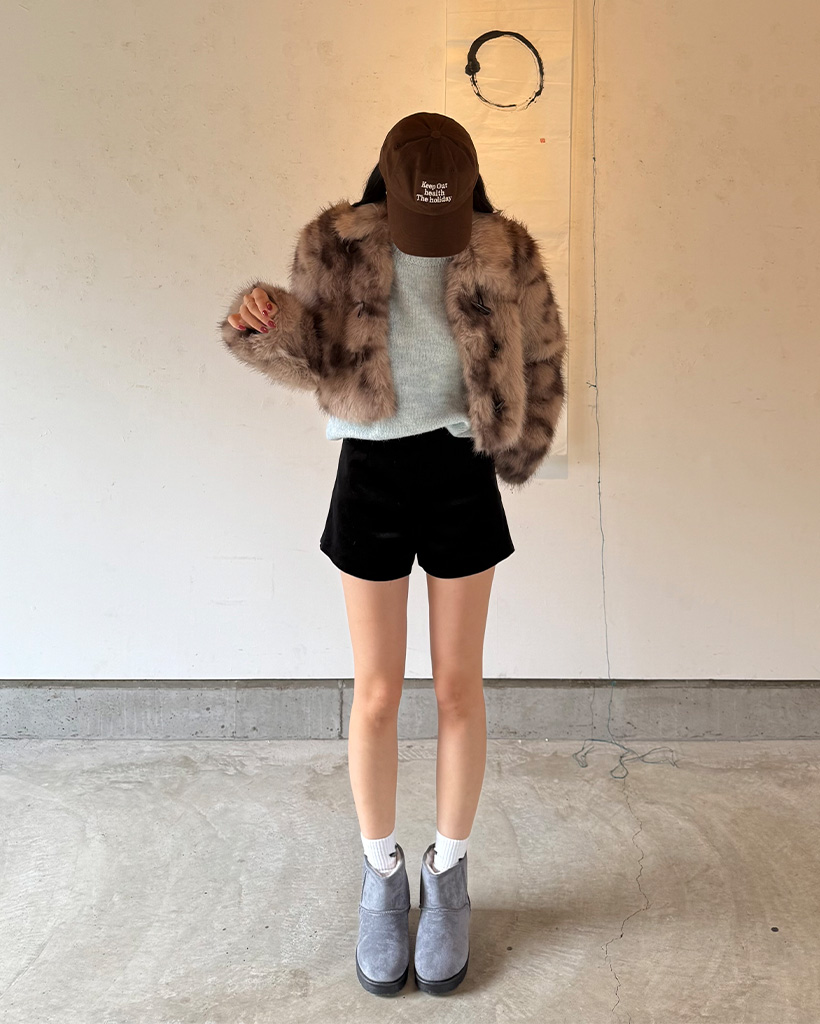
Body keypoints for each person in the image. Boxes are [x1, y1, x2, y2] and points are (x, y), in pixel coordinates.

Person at [218, 111, 567, 997]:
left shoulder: (506, 249)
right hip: (370, 473)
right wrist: (266, 320)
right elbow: (316, 358)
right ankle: (381, 876)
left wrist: (520, 446)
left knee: (458, 687)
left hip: (460, 474)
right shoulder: (335, 242)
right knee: (375, 691)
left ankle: (448, 874)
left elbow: (545, 355)